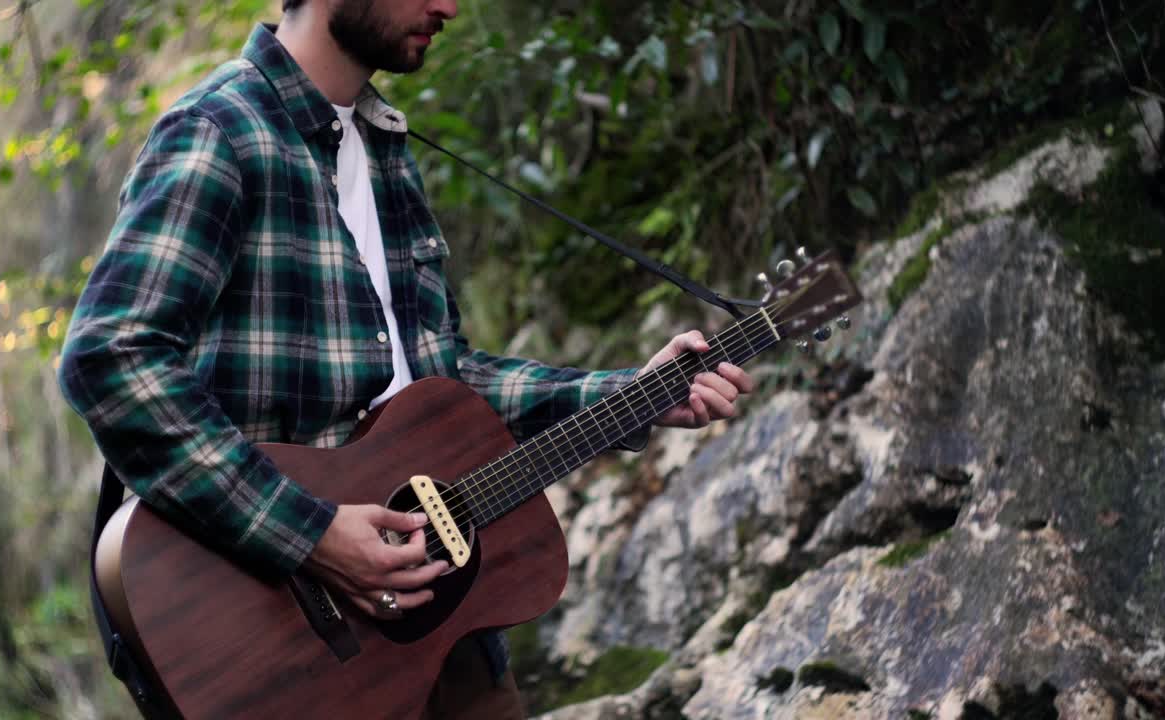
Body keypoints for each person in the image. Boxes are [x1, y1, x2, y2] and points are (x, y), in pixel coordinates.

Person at [57, 1, 754, 717]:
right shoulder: (220, 132)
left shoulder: (382, 145)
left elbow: (441, 382)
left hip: (444, 622)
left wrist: (629, 394)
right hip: (284, 648)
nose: (449, 6)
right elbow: (109, 358)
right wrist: (312, 534)